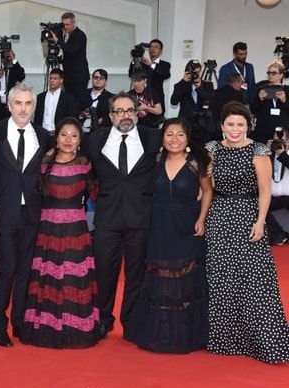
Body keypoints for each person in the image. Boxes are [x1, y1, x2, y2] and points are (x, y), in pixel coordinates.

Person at [205, 101, 289, 363]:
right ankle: (224, 340)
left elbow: (265, 191)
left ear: (248, 126)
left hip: (247, 215)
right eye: (230, 124)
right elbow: (207, 186)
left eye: (240, 124)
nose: (235, 129)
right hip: (219, 214)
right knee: (220, 278)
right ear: (222, 126)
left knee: (254, 279)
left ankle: (261, 341)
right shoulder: (212, 149)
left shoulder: (258, 150)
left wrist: (261, 221)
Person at [126, 118, 213, 353]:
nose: (174, 139)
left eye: (180, 135)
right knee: (160, 272)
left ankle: (184, 332)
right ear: (162, 139)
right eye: (169, 134)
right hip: (159, 223)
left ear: (187, 139)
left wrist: (202, 219)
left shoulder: (197, 162)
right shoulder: (156, 159)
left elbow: (207, 191)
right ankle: (160, 329)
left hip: (187, 224)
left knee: (186, 274)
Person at [83, 92, 161, 338]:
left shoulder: (153, 138)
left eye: (130, 110)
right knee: (104, 273)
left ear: (137, 112)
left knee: (136, 275)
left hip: (142, 217)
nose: (125, 115)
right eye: (120, 111)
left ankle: (131, 322)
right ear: (110, 115)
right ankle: (104, 320)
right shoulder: (95, 140)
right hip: (107, 219)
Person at [19, 117, 102, 348]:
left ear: (79, 140)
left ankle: (77, 329)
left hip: (76, 228)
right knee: (48, 277)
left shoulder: (85, 163)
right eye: (64, 134)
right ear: (56, 137)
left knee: (73, 278)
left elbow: (96, 193)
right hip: (47, 227)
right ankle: (45, 328)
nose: (68, 140)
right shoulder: (44, 162)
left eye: (74, 136)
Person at [0, 83, 50, 347]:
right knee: (5, 269)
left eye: (28, 104)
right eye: (18, 103)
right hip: (2, 212)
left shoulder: (44, 136)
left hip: (32, 214)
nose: (23, 109)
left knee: (25, 270)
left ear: (33, 107)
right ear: (9, 105)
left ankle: (19, 322)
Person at [170, 60, 216, 145]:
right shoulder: (181, 85)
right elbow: (174, 102)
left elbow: (211, 102)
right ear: (187, 72)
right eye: (194, 72)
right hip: (187, 125)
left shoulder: (207, 85)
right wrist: (183, 82)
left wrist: (200, 88)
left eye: (198, 72)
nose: (195, 75)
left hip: (204, 125)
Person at [47, 12, 89, 98]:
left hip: (78, 77)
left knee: (78, 102)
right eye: (64, 24)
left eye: (68, 24)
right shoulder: (63, 34)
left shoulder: (80, 35)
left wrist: (57, 41)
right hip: (67, 75)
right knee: (69, 101)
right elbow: (65, 53)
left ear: (74, 23)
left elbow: (72, 50)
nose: (65, 27)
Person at [250, 60, 289, 144]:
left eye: (274, 73)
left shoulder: (287, 90)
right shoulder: (261, 89)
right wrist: (260, 99)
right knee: (263, 155)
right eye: (269, 73)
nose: (270, 75)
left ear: (281, 75)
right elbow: (253, 109)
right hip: (264, 130)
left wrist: (284, 101)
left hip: (283, 131)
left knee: (281, 155)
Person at [128, 39, 171, 114]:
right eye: (151, 47)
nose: (153, 49)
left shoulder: (164, 64)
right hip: (140, 97)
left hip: (156, 98)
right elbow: (131, 74)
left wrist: (151, 65)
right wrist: (134, 60)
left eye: (156, 47)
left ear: (161, 51)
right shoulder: (142, 63)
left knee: (155, 121)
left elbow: (165, 75)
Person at [33, 68, 77, 134]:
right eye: (50, 78)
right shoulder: (40, 97)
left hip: (59, 134)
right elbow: (37, 118)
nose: (52, 81)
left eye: (55, 79)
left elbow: (71, 119)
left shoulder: (68, 98)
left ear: (61, 81)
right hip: (42, 133)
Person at [266, 127, 289, 245]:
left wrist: (283, 154)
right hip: (273, 198)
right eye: (276, 141)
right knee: (256, 205)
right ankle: (280, 235)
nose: (279, 144)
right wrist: (266, 152)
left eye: (282, 141)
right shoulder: (268, 156)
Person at [79, 69, 114, 134]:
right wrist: (82, 114)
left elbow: (113, 115)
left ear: (105, 81)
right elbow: (74, 111)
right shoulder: (82, 94)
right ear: (92, 79)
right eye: (96, 78)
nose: (98, 80)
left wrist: (100, 120)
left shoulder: (111, 97)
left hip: (101, 132)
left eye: (101, 78)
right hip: (82, 132)